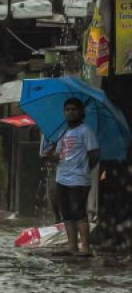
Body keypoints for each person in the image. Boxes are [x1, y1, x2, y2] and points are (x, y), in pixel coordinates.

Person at [46, 98, 99, 256]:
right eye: (67, 109)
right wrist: (49, 156)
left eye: (74, 109)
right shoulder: (64, 133)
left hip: (79, 179)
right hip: (62, 178)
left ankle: (85, 247)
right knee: (67, 213)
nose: (70, 112)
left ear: (81, 112)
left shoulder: (86, 131)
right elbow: (60, 155)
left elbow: (94, 154)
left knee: (79, 212)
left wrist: (84, 169)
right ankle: (72, 247)